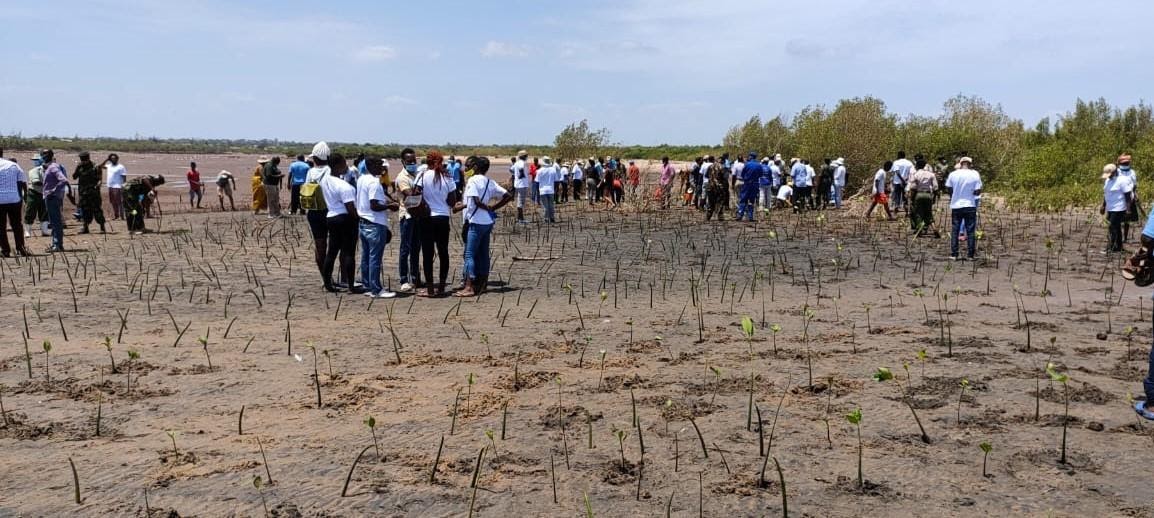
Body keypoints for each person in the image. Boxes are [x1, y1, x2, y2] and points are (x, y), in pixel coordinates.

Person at [455, 157, 513, 297]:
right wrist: (493, 208)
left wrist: (487, 207)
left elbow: (475, 201)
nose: (467, 169)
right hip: (487, 223)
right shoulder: (490, 182)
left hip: (475, 222)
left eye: (469, 166)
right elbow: (508, 195)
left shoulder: (473, 181)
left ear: (475, 167)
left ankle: (468, 287)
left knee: (469, 255)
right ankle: (483, 284)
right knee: (483, 254)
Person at [415, 150, 456, 297]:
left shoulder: (422, 175)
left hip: (427, 218)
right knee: (443, 251)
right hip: (443, 218)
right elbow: (452, 201)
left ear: (428, 161)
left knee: (427, 253)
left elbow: (416, 194)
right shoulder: (448, 177)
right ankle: (443, 286)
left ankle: (431, 289)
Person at [356, 155, 398, 298]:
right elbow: (374, 205)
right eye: (380, 165)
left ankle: (367, 285)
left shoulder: (361, 179)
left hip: (363, 222)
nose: (383, 168)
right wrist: (390, 206)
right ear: (372, 166)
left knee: (366, 256)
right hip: (375, 223)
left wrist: (388, 201)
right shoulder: (374, 182)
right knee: (375, 257)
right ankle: (376, 289)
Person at [320, 152, 360, 293]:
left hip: (331, 217)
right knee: (349, 252)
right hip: (345, 218)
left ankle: (328, 284)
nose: (346, 166)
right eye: (344, 163)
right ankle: (350, 285)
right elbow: (350, 209)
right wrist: (358, 219)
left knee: (331, 252)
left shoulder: (325, 180)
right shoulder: (344, 186)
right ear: (338, 165)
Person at [304, 142, 332, 283]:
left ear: (314, 158)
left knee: (320, 246)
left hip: (313, 212)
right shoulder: (330, 171)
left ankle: (325, 278)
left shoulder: (310, 172)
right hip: (329, 211)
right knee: (334, 246)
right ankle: (338, 277)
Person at [944, 157, 982, 260]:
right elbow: (978, 191)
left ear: (961, 164)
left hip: (956, 205)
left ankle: (954, 254)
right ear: (970, 164)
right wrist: (971, 193)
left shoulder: (953, 174)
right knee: (970, 230)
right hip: (970, 205)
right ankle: (970, 255)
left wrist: (954, 194)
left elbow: (948, 187)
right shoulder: (975, 174)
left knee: (955, 229)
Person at [395, 148, 421, 292]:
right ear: (403, 162)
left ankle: (416, 277)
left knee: (416, 248)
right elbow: (410, 196)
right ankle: (404, 279)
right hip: (407, 216)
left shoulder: (417, 174)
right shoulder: (402, 177)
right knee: (405, 248)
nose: (412, 163)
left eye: (414, 161)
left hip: (417, 216)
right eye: (409, 161)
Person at [40, 150, 73, 252]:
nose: (44, 156)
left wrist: (53, 190)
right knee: (54, 221)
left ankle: (57, 245)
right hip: (51, 197)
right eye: (43, 154)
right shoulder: (50, 167)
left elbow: (63, 180)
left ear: (50, 156)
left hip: (52, 197)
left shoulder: (53, 167)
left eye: (46, 154)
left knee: (55, 222)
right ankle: (56, 244)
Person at [0, 154, 29, 257]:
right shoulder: (13, 165)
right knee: (17, 225)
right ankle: (21, 249)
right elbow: (21, 182)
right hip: (14, 199)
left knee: (1, 227)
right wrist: (21, 197)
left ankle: (5, 250)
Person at [71, 152, 107, 234]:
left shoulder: (95, 166)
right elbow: (74, 177)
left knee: (97, 209)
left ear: (88, 159)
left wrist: (99, 184)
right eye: (82, 160)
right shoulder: (80, 166)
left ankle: (102, 227)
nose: (83, 161)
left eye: (84, 160)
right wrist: (77, 168)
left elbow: (100, 179)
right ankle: (85, 227)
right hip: (83, 193)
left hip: (93, 193)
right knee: (85, 210)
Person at [1102, 163, 1134, 253]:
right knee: (1116, 227)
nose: (1109, 176)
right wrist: (1103, 205)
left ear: (1114, 172)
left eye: (1110, 174)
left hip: (1119, 208)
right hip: (1110, 207)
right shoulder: (1108, 181)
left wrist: (1128, 209)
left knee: (1112, 226)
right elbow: (1106, 194)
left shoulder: (1122, 180)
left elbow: (1127, 195)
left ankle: (1112, 246)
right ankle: (1118, 246)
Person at [907, 158, 939, 237]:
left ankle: (919, 230)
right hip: (928, 195)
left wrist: (911, 199)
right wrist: (934, 197)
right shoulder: (931, 174)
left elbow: (913, 188)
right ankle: (934, 228)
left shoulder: (916, 174)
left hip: (919, 194)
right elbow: (935, 187)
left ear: (917, 166)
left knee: (918, 213)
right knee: (928, 213)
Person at [1118, 154, 1140, 242]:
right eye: (1124, 163)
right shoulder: (1117, 171)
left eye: (1127, 163)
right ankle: (1118, 237)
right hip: (1119, 198)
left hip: (1129, 197)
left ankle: (1125, 238)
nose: (1125, 164)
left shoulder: (1132, 172)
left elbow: (1134, 185)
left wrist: (1135, 194)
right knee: (1118, 218)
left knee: (1127, 219)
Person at [23, 156, 46, 234]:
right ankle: (27, 231)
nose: (35, 162)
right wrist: (49, 184)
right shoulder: (33, 170)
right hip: (34, 193)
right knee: (30, 211)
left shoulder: (46, 170)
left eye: (36, 160)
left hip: (43, 193)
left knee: (44, 212)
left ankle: (44, 230)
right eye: (34, 160)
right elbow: (36, 182)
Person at [737, 152, 762, 222]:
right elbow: (761, 174)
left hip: (747, 184)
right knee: (752, 200)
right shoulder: (759, 165)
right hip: (755, 184)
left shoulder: (747, 164)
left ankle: (740, 215)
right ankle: (750, 216)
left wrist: (746, 178)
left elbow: (742, 174)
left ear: (750, 157)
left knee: (743, 199)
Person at [104, 154, 127, 220]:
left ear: (117, 159)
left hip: (118, 186)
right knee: (113, 202)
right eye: (111, 158)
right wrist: (106, 159)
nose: (113, 159)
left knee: (119, 202)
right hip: (110, 186)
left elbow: (124, 176)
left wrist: (124, 185)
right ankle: (116, 216)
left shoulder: (121, 167)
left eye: (114, 158)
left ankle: (122, 216)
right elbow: (100, 166)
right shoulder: (109, 166)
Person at [510, 150, 530, 223]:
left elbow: (510, 169)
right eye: (526, 156)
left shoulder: (516, 163)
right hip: (522, 184)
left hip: (517, 184)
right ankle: (520, 219)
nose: (527, 157)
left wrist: (516, 175)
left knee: (519, 201)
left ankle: (520, 218)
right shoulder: (522, 163)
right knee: (521, 202)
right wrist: (521, 175)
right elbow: (521, 168)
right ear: (524, 156)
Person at [537, 156, 557, 222]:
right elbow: (556, 179)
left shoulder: (539, 171)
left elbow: (537, 180)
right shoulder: (553, 169)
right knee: (551, 205)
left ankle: (546, 218)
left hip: (542, 190)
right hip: (551, 190)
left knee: (545, 205)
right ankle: (552, 218)